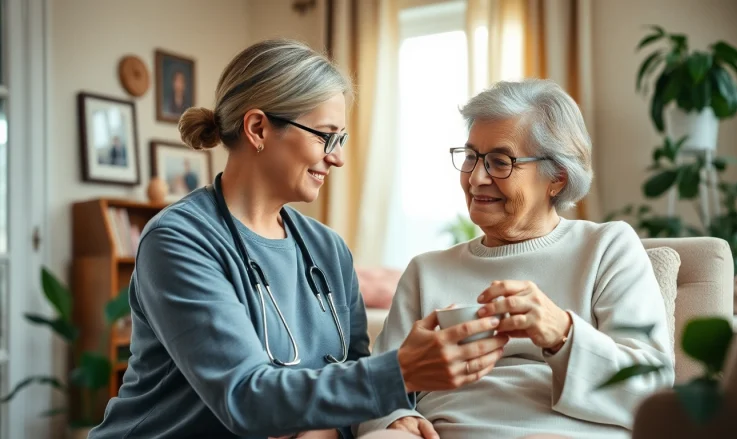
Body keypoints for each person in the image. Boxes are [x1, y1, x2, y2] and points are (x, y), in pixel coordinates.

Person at [87, 39, 509, 439]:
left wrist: (348, 425)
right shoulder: (179, 241)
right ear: (258, 128)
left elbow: (352, 370)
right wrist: (402, 371)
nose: (338, 156)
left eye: (341, 139)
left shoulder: (327, 249)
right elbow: (243, 396)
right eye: (326, 135)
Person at [355, 79, 675, 439]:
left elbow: (651, 389)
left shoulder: (606, 248)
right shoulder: (426, 270)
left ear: (557, 177)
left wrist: (562, 333)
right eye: (471, 156)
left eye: (499, 162)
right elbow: (377, 385)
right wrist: (394, 418)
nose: (476, 178)